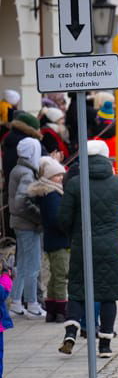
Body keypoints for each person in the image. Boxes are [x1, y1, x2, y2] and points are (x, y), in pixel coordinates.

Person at [58, 140, 118, 357]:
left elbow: (63, 218)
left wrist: (74, 233)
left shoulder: (75, 183)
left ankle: (71, 331)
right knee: (108, 294)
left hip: (83, 244)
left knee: (77, 288)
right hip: (112, 246)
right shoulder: (116, 182)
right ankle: (105, 345)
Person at [27, 157, 69, 323]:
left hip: (53, 240)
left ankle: (51, 308)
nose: (60, 178)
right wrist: (67, 226)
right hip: (58, 240)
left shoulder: (50, 192)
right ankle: (60, 310)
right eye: (56, 175)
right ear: (48, 177)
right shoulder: (52, 194)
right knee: (60, 275)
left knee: (55, 275)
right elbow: (55, 219)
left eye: (60, 175)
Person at [8, 138, 46, 318]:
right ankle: (32, 303)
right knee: (32, 265)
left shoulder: (19, 169)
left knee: (23, 264)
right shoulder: (26, 173)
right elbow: (22, 202)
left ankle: (16, 301)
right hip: (28, 225)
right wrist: (40, 216)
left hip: (20, 224)